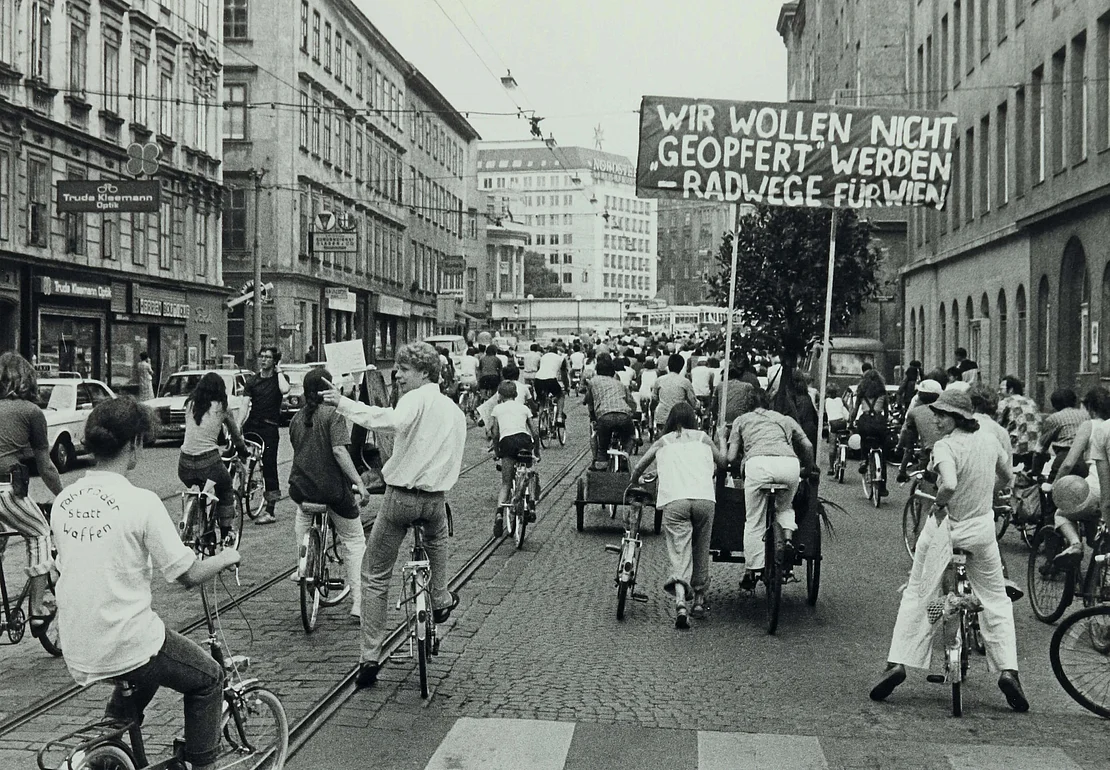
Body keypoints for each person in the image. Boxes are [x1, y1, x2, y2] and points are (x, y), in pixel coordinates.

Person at [52, 396, 241, 770]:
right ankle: (205, 766)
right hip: (125, 641)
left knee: (145, 664)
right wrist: (225, 557)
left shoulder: (64, 500)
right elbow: (185, 574)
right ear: (134, 444)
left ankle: (106, 750)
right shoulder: (141, 501)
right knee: (207, 678)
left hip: (77, 643)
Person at [868, 388, 1027, 713]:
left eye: (940, 414)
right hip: (981, 532)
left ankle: (898, 664)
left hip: (945, 530)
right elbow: (1007, 477)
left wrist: (940, 505)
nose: (936, 418)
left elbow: (950, 483)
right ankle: (1008, 671)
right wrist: (985, 496)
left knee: (917, 594)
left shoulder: (946, 445)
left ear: (955, 417)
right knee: (996, 599)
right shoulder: (988, 440)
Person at [322, 343, 465, 689]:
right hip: (434, 500)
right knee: (437, 538)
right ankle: (440, 596)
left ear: (425, 373)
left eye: (404, 369)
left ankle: (369, 657)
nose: (397, 375)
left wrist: (343, 403)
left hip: (400, 499)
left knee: (374, 574)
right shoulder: (453, 410)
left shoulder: (415, 399)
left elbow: (389, 422)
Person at [630, 402, 725, 629]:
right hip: (704, 498)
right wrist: (721, 438)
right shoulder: (703, 438)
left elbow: (639, 467)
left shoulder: (664, 441)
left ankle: (681, 600)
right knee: (701, 546)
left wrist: (636, 481)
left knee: (680, 549)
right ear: (693, 419)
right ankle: (700, 600)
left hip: (675, 501)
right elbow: (723, 462)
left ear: (671, 420)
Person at [288, 368, 369, 617]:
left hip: (302, 490)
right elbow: (339, 452)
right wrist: (359, 483)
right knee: (354, 541)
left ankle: (303, 561)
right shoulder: (333, 415)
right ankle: (358, 603)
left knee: (302, 518)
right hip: (332, 492)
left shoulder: (296, 418)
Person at [0, 352, 64, 633]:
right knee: (38, 533)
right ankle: (37, 610)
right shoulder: (31, 412)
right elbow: (46, 465)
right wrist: (63, 495)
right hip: (5, 489)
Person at [727, 389, 815, 590]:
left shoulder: (741, 420)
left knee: (754, 519)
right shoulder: (784, 419)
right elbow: (808, 446)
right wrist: (807, 469)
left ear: (748, 404)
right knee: (785, 507)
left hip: (758, 466)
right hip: (788, 465)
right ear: (769, 403)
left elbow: (731, 458)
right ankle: (787, 540)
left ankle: (753, 569)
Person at [177, 372, 250, 546]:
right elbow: (235, 434)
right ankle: (226, 534)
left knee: (201, 485)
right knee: (225, 489)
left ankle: (196, 522)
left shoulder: (190, 404)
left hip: (184, 464)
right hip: (209, 462)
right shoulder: (221, 407)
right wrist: (243, 450)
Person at [243, 346, 290, 525]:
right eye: (261, 356)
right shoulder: (252, 381)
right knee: (235, 455)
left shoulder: (280, 379)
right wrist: (238, 426)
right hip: (252, 424)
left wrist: (278, 371)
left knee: (269, 464)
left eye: (268, 357)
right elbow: (244, 405)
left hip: (270, 427)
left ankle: (270, 510)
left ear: (274, 360)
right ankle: (238, 488)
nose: (263, 360)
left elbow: (285, 390)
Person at [489, 380, 540, 535]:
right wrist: (537, 452)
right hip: (524, 440)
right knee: (529, 474)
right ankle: (530, 503)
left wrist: (498, 452)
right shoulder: (524, 408)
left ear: (500, 395)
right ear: (516, 394)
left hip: (507, 443)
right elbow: (535, 432)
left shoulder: (497, 409)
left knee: (506, 483)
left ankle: (499, 514)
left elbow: (495, 433)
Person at [584, 356, 637, 467]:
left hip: (604, 417)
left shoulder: (593, 382)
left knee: (602, 448)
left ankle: (599, 464)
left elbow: (589, 401)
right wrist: (632, 413)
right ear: (613, 372)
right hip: (624, 416)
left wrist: (593, 416)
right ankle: (625, 455)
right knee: (631, 436)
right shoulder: (620, 384)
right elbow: (631, 403)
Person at [894, 379, 943, 482]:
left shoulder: (914, 412)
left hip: (929, 451)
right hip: (949, 448)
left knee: (924, 476)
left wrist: (899, 447)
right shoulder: (946, 411)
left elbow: (908, 437)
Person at [850, 368, 890, 494]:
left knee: (863, 440)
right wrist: (886, 420)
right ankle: (882, 487)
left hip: (865, 420)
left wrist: (850, 423)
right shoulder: (882, 392)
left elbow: (855, 411)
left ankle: (863, 461)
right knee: (882, 451)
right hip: (879, 421)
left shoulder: (861, 392)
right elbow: (886, 411)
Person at [1036, 388, 1087, 480]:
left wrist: (1035, 471)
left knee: (1055, 490)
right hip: (1085, 459)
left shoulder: (1053, 419)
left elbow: (1040, 449)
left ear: (1054, 404)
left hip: (1064, 457)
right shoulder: (1086, 415)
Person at [996, 375, 1042, 469]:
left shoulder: (1005, 402)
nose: (999, 392)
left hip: (1016, 447)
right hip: (1035, 445)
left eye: (1001, 389)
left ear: (1011, 390)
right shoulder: (1030, 401)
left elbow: (997, 423)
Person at [652, 353, 697, 434]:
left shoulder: (659, 380)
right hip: (680, 418)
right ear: (681, 367)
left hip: (662, 417)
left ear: (668, 365)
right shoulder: (685, 382)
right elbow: (692, 402)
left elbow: (654, 400)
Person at [533, 345, 569, 424]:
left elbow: (539, 368)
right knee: (560, 395)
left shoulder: (543, 357)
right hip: (551, 380)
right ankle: (559, 416)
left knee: (542, 400)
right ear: (557, 352)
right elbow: (564, 375)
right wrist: (567, 387)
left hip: (538, 379)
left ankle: (541, 423)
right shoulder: (561, 359)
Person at [824, 383, 851, 474]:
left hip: (833, 423)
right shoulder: (841, 400)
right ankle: (844, 455)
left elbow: (824, 413)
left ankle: (831, 467)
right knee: (843, 440)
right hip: (842, 422)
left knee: (832, 446)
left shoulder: (826, 401)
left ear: (827, 392)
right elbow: (847, 409)